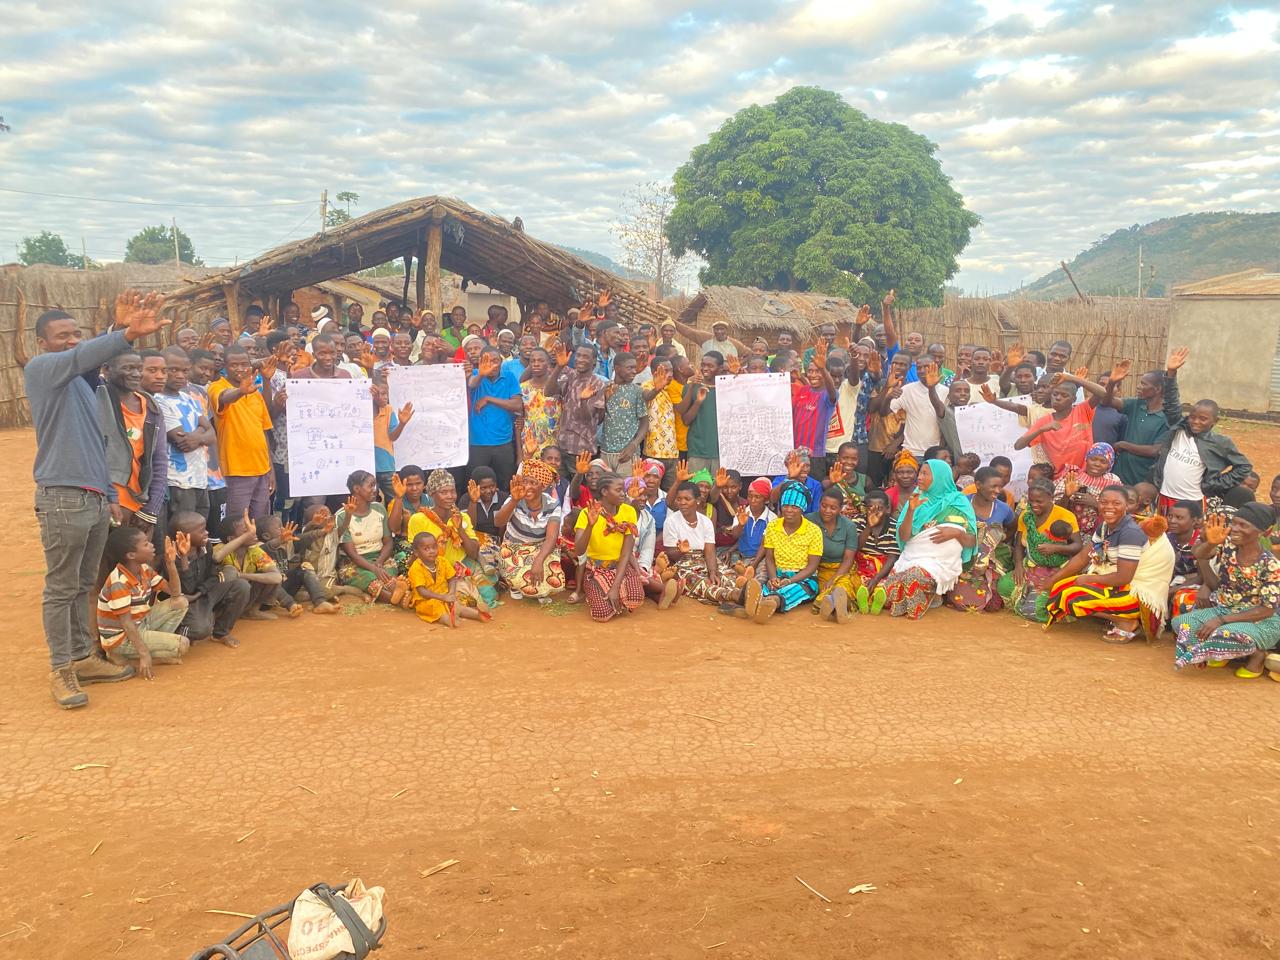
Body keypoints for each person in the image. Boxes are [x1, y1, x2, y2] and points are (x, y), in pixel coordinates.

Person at [28, 292, 171, 706]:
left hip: (92, 498)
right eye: (61, 336)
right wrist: (124, 334)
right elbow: (82, 357)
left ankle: (82, 658)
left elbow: (97, 443)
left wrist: (109, 493)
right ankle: (61, 669)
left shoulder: (84, 384)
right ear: (41, 343)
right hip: (62, 496)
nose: (71, 341)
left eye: (76, 334)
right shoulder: (42, 370)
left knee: (81, 584)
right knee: (61, 588)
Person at [1173, 504, 1280, 676]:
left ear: (1262, 532)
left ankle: (1257, 656)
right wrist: (1211, 543)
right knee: (1182, 624)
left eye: (1243, 525)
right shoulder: (1228, 545)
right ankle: (1222, 653)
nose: (1235, 528)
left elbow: (1267, 610)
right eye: (1234, 523)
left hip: (1258, 620)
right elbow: (1199, 553)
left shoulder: (1271, 565)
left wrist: (1221, 620)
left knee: (1223, 634)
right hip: (1223, 609)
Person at [869, 459, 977, 619]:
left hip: (940, 563)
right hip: (912, 558)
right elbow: (904, 537)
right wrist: (911, 511)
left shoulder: (959, 502)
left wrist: (957, 534)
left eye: (925, 474)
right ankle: (928, 596)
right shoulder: (916, 499)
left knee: (913, 577)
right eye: (920, 473)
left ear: (940, 477)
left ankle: (925, 598)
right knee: (887, 590)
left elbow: (972, 541)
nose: (919, 477)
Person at [1045, 486, 1156, 642]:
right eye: (1104, 502)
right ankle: (1116, 617)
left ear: (1126, 506)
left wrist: (1088, 579)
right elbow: (1083, 557)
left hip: (1136, 591)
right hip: (1118, 581)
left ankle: (1126, 621)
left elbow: (1124, 577)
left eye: (1116, 503)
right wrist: (1053, 579)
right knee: (1059, 587)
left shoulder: (1130, 532)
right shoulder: (1105, 526)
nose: (1109, 507)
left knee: (1070, 597)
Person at [1151, 351, 1252, 510]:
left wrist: (1213, 484)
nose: (1195, 422)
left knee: (1186, 526)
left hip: (1192, 501)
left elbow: (1244, 467)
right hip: (1164, 496)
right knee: (1162, 526)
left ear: (1214, 422)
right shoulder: (1179, 428)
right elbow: (1171, 403)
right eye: (1192, 417)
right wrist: (1171, 373)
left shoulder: (1220, 443)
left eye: (1203, 419)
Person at [96, 526, 189, 680]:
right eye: (146, 544)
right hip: (121, 639)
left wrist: (170, 563)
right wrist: (144, 653)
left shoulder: (144, 569)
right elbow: (126, 624)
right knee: (182, 644)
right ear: (131, 555)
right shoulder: (119, 582)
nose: (152, 545)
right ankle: (128, 658)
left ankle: (144, 652)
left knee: (181, 602)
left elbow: (175, 593)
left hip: (140, 623)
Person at [96, 350, 169, 533]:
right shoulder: (97, 400)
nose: (136, 374)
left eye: (139, 368)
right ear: (106, 370)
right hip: (105, 498)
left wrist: (151, 509)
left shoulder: (151, 407)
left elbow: (159, 460)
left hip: (138, 500)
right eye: (127, 368)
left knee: (142, 550)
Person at [407, 469, 494, 611]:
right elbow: (417, 555)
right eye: (443, 492)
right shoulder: (419, 519)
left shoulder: (462, 517)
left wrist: (459, 529)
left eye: (452, 491)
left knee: (489, 594)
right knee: (459, 600)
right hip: (434, 571)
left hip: (462, 566)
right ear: (432, 494)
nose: (450, 496)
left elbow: (473, 553)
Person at [997, 479, 1082, 622]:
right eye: (1031, 501)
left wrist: (1056, 548)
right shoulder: (1026, 516)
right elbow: (1019, 544)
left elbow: (1078, 546)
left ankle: (1056, 608)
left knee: (1033, 611)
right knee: (1003, 587)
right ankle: (1029, 595)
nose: (1034, 505)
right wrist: (1018, 565)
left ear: (1051, 498)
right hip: (1031, 566)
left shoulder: (1066, 516)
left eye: (1039, 501)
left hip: (1056, 571)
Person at [208, 344, 274, 519]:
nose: (239, 369)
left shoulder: (255, 392)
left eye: (244, 364)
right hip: (236, 470)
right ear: (225, 366)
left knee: (260, 522)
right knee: (237, 523)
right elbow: (224, 398)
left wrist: (270, 470)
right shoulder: (216, 387)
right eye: (234, 365)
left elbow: (263, 430)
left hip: (262, 469)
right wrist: (240, 391)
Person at [745, 480, 824, 623]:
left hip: (803, 578)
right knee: (766, 587)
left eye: (794, 506)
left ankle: (770, 603)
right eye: (785, 505)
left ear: (803, 508)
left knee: (791, 591)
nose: (789, 510)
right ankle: (759, 601)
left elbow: (812, 566)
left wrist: (790, 580)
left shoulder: (814, 531)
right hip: (779, 575)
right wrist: (773, 577)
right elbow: (769, 558)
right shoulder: (772, 526)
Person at [169, 511, 251, 647]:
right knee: (200, 630)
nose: (207, 533)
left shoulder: (205, 546)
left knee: (241, 586)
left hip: (201, 593)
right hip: (186, 600)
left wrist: (200, 593)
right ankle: (176, 633)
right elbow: (187, 589)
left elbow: (213, 574)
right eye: (201, 530)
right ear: (184, 536)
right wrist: (184, 558)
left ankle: (221, 633)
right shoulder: (172, 556)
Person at [155, 347, 213, 526]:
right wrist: (202, 432)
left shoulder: (189, 398)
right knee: (182, 532)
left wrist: (198, 437)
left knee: (199, 532)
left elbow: (212, 434)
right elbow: (182, 441)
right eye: (173, 370)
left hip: (200, 480)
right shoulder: (158, 400)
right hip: (178, 482)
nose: (180, 376)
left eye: (185, 371)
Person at [574, 474, 644, 621]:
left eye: (623, 490)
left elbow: (626, 553)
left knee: (635, 598)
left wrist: (615, 587)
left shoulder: (628, 511)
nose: (623, 493)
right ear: (605, 492)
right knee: (602, 615)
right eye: (618, 490)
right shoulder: (587, 513)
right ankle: (602, 592)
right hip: (595, 569)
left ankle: (615, 591)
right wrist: (590, 525)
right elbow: (579, 551)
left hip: (620, 567)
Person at [496, 458, 565, 601]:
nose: (527, 487)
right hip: (514, 547)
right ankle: (515, 586)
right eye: (525, 482)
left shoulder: (553, 504)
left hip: (540, 547)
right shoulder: (514, 498)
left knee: (556, 581)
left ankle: (539, 589)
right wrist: (514, 501)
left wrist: (538, 561)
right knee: (520, 577)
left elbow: (551, 538)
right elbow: (498, 522)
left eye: (533, 483)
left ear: (543, 487)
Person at [948, 466, 1014, 611]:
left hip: (990, 563)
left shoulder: (1004, 509)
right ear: (978, 485)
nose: (998, 491)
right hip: (962, 560)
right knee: (962, 601)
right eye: (993, 486)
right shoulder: (962, 504)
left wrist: (995, 541)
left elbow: (1012, 527)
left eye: (1000, 487)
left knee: (991, 602)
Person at [663, 480, 738, 606]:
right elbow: (671, 553)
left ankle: (739, 595)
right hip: (683, 562)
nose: (682, 502)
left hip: (704, 558)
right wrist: (680, 551)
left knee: (728, 575)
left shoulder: (706, 522)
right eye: (679, 499)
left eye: (687, 499)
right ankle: (734, 596)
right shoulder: (671, 521)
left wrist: (712, 571)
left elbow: (710, 551)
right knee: (701, 583)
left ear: (697, 500)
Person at [335, 470, 406, 605]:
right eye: (371, 486)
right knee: (366, 576)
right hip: (354, 563)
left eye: (375, 485)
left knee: (388, 570)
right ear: (357, 489)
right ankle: (398, 599)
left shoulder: (379, 509)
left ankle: (396, 593)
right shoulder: (343, 515)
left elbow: (388, 542)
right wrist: (374, 569)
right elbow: (352, 554)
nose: (375, 489)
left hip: (379, 558)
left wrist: (379, 562)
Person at [256, 515, 339, 615]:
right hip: (266, 596)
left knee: (304, 568)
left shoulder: (283, 545)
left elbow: (302, 539)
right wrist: (280, 540)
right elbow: (267, 547)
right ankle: (291, 605)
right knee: (272, 578)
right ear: (266, 536)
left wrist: (322, 531)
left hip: (283, 589)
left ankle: (320, 602)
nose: (284, 529)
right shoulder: (258, 549)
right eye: (279, 528)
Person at [467, 348, 521, 489]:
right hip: (477, 444)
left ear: (501, 361)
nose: (492, 365)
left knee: (505, 485)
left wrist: (488, 399)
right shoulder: (475, 375)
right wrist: (481, 374)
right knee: (476, 486)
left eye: (495, 361)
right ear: (480, 362)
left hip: (503, 443)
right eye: (487, 361)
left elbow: (517, 405)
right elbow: (471, 384)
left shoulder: (509, 377)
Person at [407, 532, 487, 626]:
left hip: (445, 595)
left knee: (456, 604)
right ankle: (449, 620)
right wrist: (443, 597)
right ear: (416, 553)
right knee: (437, 608)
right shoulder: (415, 568)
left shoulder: (443, 561)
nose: (432, 551)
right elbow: (422, 591)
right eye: (426, 549)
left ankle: (478, 614)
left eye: (434, 547)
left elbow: (452, 579)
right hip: (426, 601)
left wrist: (451, 593)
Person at [218, 510, 286, 620]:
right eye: (247, 531)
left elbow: (276, 577)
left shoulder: (254, 550)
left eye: (252, 529)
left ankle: (252, 610)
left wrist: (241, 575)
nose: (253, 532)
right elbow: (216, 557)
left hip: (243, 594)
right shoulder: (221, 549)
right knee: (234, 578)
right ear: (231, 539)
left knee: (266, 577)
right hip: (222, 598)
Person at [807, 488, 859, 622]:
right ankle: (835, 607)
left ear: (840, 509)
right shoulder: (809, 521)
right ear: (819, 504)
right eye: (824, 506)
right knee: (823, 590)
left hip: (841, 569)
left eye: (833, 508)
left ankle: (836, 605)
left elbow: (848, 559)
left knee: (842, 587)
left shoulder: (849, 526)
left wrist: (833, 579)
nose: (827, 510)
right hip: (817, 569)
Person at [792, 340, 839, 478]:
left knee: (813, 487)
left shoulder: (828, 395)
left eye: (818, 371)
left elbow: (832, 392)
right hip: (795, 453)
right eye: (810, 371)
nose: (813, 375)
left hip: (815, 455)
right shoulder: (803, 390)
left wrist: (823, 368)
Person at [1054, 442, 1122, 535]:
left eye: (1103, 461)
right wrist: (1066, 496)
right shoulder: (1073, 476)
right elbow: (1056, 511)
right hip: (1067, 530)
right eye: (1093, 459)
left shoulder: (1113, 481)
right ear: (1086, 459)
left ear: (1109, 465)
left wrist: (1095, 503)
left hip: (1099, 533)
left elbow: (1118, 512)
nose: (1097, 464)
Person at [600, 353, 649, 475]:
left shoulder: (637, 391)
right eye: (629, 368)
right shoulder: (606, 388)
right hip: (606, 452)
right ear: (617, 369)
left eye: (635, 368)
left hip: (627, 453)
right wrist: (604, 400)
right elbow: (598, 419)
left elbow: (644, 423)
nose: (634, 371)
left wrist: (634, 445)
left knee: (627, 485)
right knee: (606, 485)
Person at [852, 490, 900, 613]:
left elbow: (892, 557)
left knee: (888, 584)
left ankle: (877, 596)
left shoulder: (894, 526)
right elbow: (856, 547)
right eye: (870, 508)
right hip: (863, 564)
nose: (874, 512)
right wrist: (869, 526)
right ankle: (864, 597)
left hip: (884, 568)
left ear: (887, 509)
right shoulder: (859, 521)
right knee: (856, 581)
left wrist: (876, 578)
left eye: (879, 508)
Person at [556, 345, 608, 458]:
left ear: (594, 361)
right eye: (578, 355)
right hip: (562, 444)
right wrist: (559, 367)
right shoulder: (569, 375)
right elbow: (548, 392)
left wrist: (583, 401)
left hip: (582, 449)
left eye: (585, 356)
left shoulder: (597, 384)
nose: (580, 359)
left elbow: (588, 419)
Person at [886, 361, 946, 457]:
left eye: (926, 367)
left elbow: (944, 421)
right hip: (910, 452)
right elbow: (887, 411)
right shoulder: (907, 390)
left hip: (934, 453)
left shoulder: (945, 391)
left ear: (934, 367)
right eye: (918, 368)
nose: (922, 370)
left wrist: (931, 388)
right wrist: (888, 396)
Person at [680, 351, 722, 475]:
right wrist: (698, 402)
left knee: (718, 485)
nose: (705, 368)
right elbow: (686, 421)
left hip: (722, 452)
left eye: (710, 366)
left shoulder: (727, 389)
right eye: (703, 365)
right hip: (698, 451)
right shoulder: (691, 387)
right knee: (697, 485)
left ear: (720, 368)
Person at [517, 346, 561, 456]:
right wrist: (519, 454)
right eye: (533, 361)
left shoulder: (557, 386)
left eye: (541, 360)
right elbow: (518, 422)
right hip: (529, 446)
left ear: (548, 363)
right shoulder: (523, 388)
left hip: (553, 447)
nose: (536, 364)